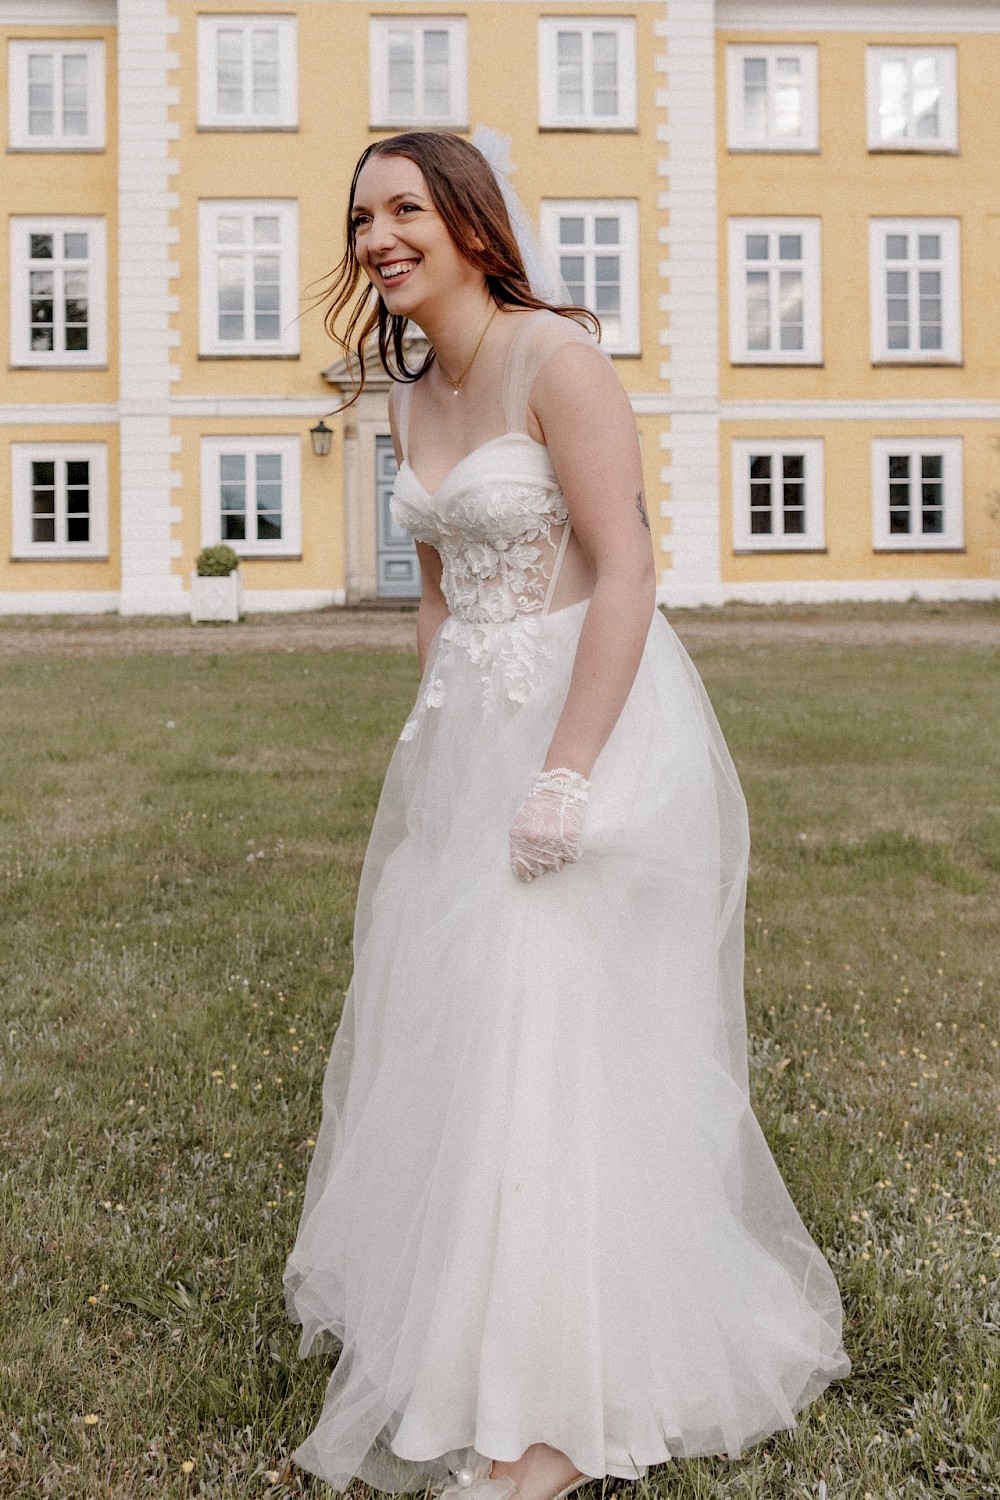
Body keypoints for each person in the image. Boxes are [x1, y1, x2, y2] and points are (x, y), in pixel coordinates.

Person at [283, 130, 849, 1498]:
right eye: (361, 219)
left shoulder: (562, 361)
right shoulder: (410, 397)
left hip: (591, 718)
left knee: (552, 1026)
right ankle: (478, 1347)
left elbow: (628, 566)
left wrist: (565, 773)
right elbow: (436, 591)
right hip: (475, 730)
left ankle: (547, 1425)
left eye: (404, 210)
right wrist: (439, 739)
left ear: (473, 226)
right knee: (469, 1023)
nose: (377, 239)